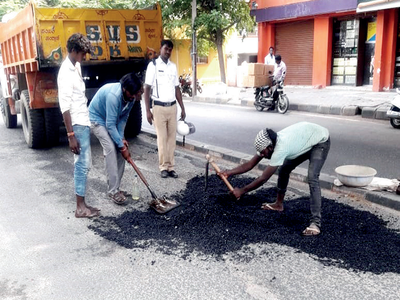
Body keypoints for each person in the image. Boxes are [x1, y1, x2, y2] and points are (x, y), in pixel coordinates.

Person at [221, 122, 330, 236]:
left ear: (270, 147)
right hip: (306, 139)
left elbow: (263, 178)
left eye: (263, 152)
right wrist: (228, 172)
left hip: (320, 140)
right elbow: (249, 164)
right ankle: (278, 205)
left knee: (312, 177)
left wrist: (242, 191)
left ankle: (315, 224)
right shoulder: (270, 142)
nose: (262, 155)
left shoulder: (280, 149)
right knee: (284, 170)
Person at [58, 33, 100, 218]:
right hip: (76, 124)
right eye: (83, 53)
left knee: (84, 164)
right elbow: (65, 107)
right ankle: (80, 208)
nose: (85, 56)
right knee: (81, 165)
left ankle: (83, 203)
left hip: (83, 121)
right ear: (74, 51)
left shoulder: (76, 66)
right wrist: (70, 135)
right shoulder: (65, 72)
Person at [89, 73, 143, 205]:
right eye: (134, 93)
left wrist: (122, 141)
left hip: (111, 121)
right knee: (111, 149)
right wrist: (120, 145)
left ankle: (117, 188)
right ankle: (112, 191)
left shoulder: (131, 98)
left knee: (121, 150)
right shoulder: (113, 96)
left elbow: (122, 119)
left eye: (137, 93)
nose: (136, 96)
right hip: (97, 119)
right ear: (125, 89)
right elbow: (110, 125)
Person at [143, 39, 186, 178]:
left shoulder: (173, 66)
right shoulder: (153, 65)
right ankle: (163, 167)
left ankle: (171, 167)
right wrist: (148, 110)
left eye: (170, 50)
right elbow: (147, 88)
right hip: (159, 108)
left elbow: (177, 88)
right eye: (166, 49)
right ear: (161, 48)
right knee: (162, 139)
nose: (168, 52)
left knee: (171, 139)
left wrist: (182, 108)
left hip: (172, 107)